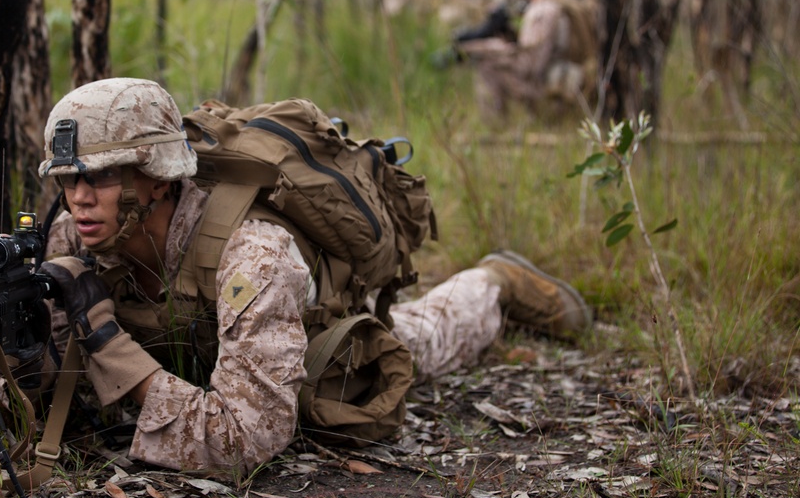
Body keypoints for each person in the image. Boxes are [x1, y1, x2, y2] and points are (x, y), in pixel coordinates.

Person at [29, 77, 593, 477]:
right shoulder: (72, 237)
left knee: (425, 340)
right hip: (207, 361)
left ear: (155, 177)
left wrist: (106, 340)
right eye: (68, 180)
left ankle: (494, 283)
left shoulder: (252, 254)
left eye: (100, 176)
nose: (78, 198)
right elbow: (59, 386)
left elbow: (244, 440)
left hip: (311, 350)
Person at [451, 0, 599, 118]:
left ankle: (495, 126)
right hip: (560, 81)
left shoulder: (543, 11)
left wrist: (481, 49)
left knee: (486, 65)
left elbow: (530, 65)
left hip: (551, 89)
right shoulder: (556, 3)